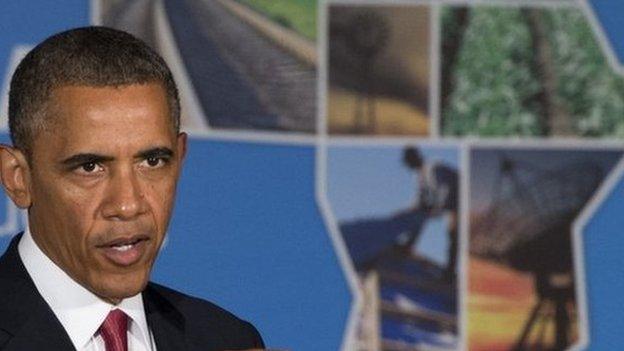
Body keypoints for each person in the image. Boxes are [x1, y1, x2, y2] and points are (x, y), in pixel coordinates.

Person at [0, 27, 264, 350]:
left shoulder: (227, 339)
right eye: (90, 167)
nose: (128, 205)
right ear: (18, 178)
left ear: (180, 159)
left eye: (152, 161)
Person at [403, 146, 458, 281]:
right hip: (448, 204)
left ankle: (450, 272)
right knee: (420, 215)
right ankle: (408, 245)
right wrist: (406, 213)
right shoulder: (421, 177)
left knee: (453, 234)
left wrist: (438, 209)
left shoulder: (433, 167)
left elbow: (447, 188)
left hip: (457, 199)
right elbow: (419, 202)